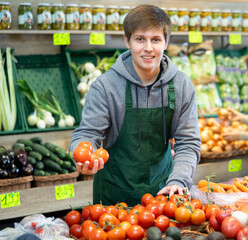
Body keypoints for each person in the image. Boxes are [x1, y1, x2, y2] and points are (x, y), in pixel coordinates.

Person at [69, 4, 201, 206]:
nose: (148, 48)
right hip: (114, 198)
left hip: (164, 191)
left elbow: (188, 143)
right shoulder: (105, 86)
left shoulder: (182, 85)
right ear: (127, 41)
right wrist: (81, 155)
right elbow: (87, 133)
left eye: (155, 40)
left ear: (166, 42)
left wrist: (178, 180)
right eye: (140, 39)